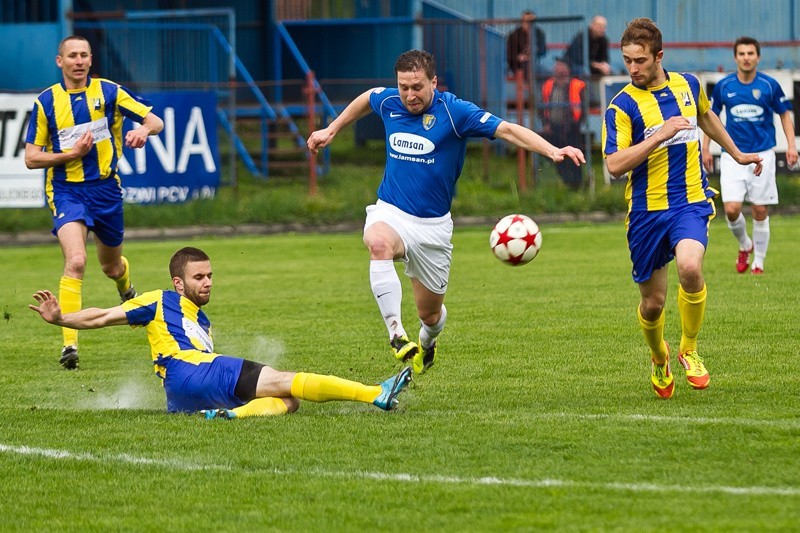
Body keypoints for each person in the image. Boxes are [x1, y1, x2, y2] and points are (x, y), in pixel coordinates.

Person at [307, 49, 584, 376]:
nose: (409, 95)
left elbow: (507, 130)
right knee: (378, 243)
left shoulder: (455, 112)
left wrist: (552, 149)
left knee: (431, 316)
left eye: (417, 87)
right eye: (403, 87)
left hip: (433, 229)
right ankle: (396, 334)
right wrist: (332, 128)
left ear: (433, 83)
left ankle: (428, 342)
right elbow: (369, 97)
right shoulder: (390, 102)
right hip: (391, 211)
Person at [29, 246, 413, 419]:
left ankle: (231, 416)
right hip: (191, 369)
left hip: (182, 393)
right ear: (178, 283)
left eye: (210, 275)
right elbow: (102, 316)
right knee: (287, 380)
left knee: (289, 402)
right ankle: (374, 394)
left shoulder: (201, 320)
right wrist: (62, 319)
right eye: (199, 277)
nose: (208, 282)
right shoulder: (159, 300)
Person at [602, 18, 763, 399]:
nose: (633, 69)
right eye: (627, 61)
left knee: (691, 268)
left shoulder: (688, 84)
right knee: (653, 303)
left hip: (690, 201)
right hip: (645, 212)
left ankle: (689, 348)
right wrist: (660, 135)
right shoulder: (622, 105)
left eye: (640, 60)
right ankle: (660, 357)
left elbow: (704, 114)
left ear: (659, 56)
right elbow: (613, 165)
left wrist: (736, 153)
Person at [24, 35, 164, 371]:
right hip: (66, 189)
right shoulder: (46, 102)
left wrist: (144, 131)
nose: (79, 61)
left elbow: (155, 120)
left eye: (84, 55)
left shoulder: (109, 92)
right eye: (72, 55)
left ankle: (125, 287)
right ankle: (69, 343)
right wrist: (71, 154)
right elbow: (31, 158)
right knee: (75, 261)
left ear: (90, 60)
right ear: (60, 61)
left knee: (111, 267)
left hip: (105, 190)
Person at [701, 36, 797, 274]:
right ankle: (745, 244)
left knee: (760, 210)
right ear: (735, 57)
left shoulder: (769, 85)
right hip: (733, 155)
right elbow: (709, 118)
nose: (746, 58)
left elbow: (784, 114)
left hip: (763, 154)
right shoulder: (724, 86)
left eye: (750, 53)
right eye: (742, 54)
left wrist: (791, 145)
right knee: (731, 209)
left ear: (758, 57)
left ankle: (759, 263)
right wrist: (705, 148)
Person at [540, 60, 586, 189]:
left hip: (571, 128)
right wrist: (545, 123)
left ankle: (577, 184)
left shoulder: (577, 85)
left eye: (561, 66)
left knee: (574, 158)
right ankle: (566, 181)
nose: (558, 69)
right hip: (554, 128)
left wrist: (577, 123)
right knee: (557, 156)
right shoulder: (548, 85)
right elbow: (542, 105)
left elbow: (584, 106)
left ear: (567, 69)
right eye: (557, 66)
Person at [506, 10, 547, 82]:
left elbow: (543, 51)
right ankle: (531, 91)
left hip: (535, 64)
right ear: (522, 22)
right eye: (527, 21)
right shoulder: (514, 35)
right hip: (518, 65)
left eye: (532, 21)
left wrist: (534, 53)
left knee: (547, 73)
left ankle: (539, 92)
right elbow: (509, 54)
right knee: (529, 71)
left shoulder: (539, 33)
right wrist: (519, 57)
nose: (529, 24)